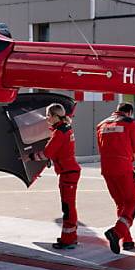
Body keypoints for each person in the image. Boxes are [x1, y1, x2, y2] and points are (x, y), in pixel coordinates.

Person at [96, 102, 135, 254]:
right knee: (131, 201)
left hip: (107, 169)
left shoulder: (101, 125)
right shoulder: (129, 123)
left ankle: (126, 240)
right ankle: (116, 232)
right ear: (129, 112)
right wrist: (133, 157)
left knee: (120, 203)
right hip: (123, 167)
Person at [41, 103, 80, 249]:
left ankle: (68, 240)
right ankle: (70, 237)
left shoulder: (60, 132)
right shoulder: (65, 129)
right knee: (69, 206)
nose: (47, 118)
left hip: (68, 173)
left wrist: (30, 157)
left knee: (68, 208)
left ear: (55, 116)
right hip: (69, 171)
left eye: (48, 115)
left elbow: (47, 152)